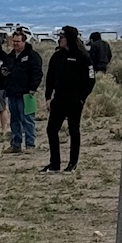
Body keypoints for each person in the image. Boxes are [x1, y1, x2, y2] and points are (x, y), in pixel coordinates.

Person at [43, 25, 94, 174]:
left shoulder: (82, 56)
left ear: (69, 38)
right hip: (58, 99)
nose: (59, 40)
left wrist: (81, 98)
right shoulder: (57, 56)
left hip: (74, 101)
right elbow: (50, 78)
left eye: (62, 37)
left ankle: (72, 163)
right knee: (51, 130)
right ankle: (54, 163)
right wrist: (48, 97)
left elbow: (91, 80)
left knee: (73, 131)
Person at [0, 28, 42, 153]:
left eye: (18, 41)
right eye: (14, 41)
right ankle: (15, 145)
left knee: (28, 119)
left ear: (24, 42)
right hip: (12, 93)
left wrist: (33, 88)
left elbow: (37, 73)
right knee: (14, 120)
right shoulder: (10, 56)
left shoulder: (32, 56)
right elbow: (5, 70)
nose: (15, 44)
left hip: (27, 94)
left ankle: (30, 145)